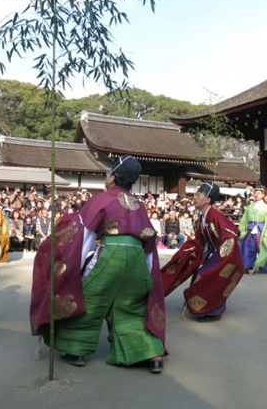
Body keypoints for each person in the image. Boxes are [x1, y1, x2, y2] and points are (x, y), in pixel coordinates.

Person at [31, 155, 166, 373]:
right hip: (139, 260)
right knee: (131, 307)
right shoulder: (139, 205)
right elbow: (149, 242)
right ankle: (152, 354)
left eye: (107, 173)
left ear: (113, 178)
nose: (106, 176)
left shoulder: (103, 199)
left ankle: (75, 350)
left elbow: (83, 235)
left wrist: (69, 267)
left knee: (89, 298)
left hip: (110, 255)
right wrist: (148, 274)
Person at [160, 181, 244, 322]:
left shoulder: (215, 216)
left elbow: (229, 237)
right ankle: (199, 304)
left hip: (227, 254)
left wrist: (221, 259)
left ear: (208, 199)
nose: (195, 197)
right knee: (197, 273)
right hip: (215, 251)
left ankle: (211, 311)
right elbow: (199, 238)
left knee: (206, 276)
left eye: (199, 194)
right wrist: (187, 251)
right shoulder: (204, 216)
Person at [238, 185, 267, 275]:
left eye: (259, 193)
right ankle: (248, 266)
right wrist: (241, 230)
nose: (257, 195)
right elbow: (244, 220)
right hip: (251, 229)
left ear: (262, 195)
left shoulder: (266, 207)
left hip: (262, 229)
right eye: (255, 193)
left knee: (264, 247)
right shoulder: (250, 207)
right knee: (246, 245)